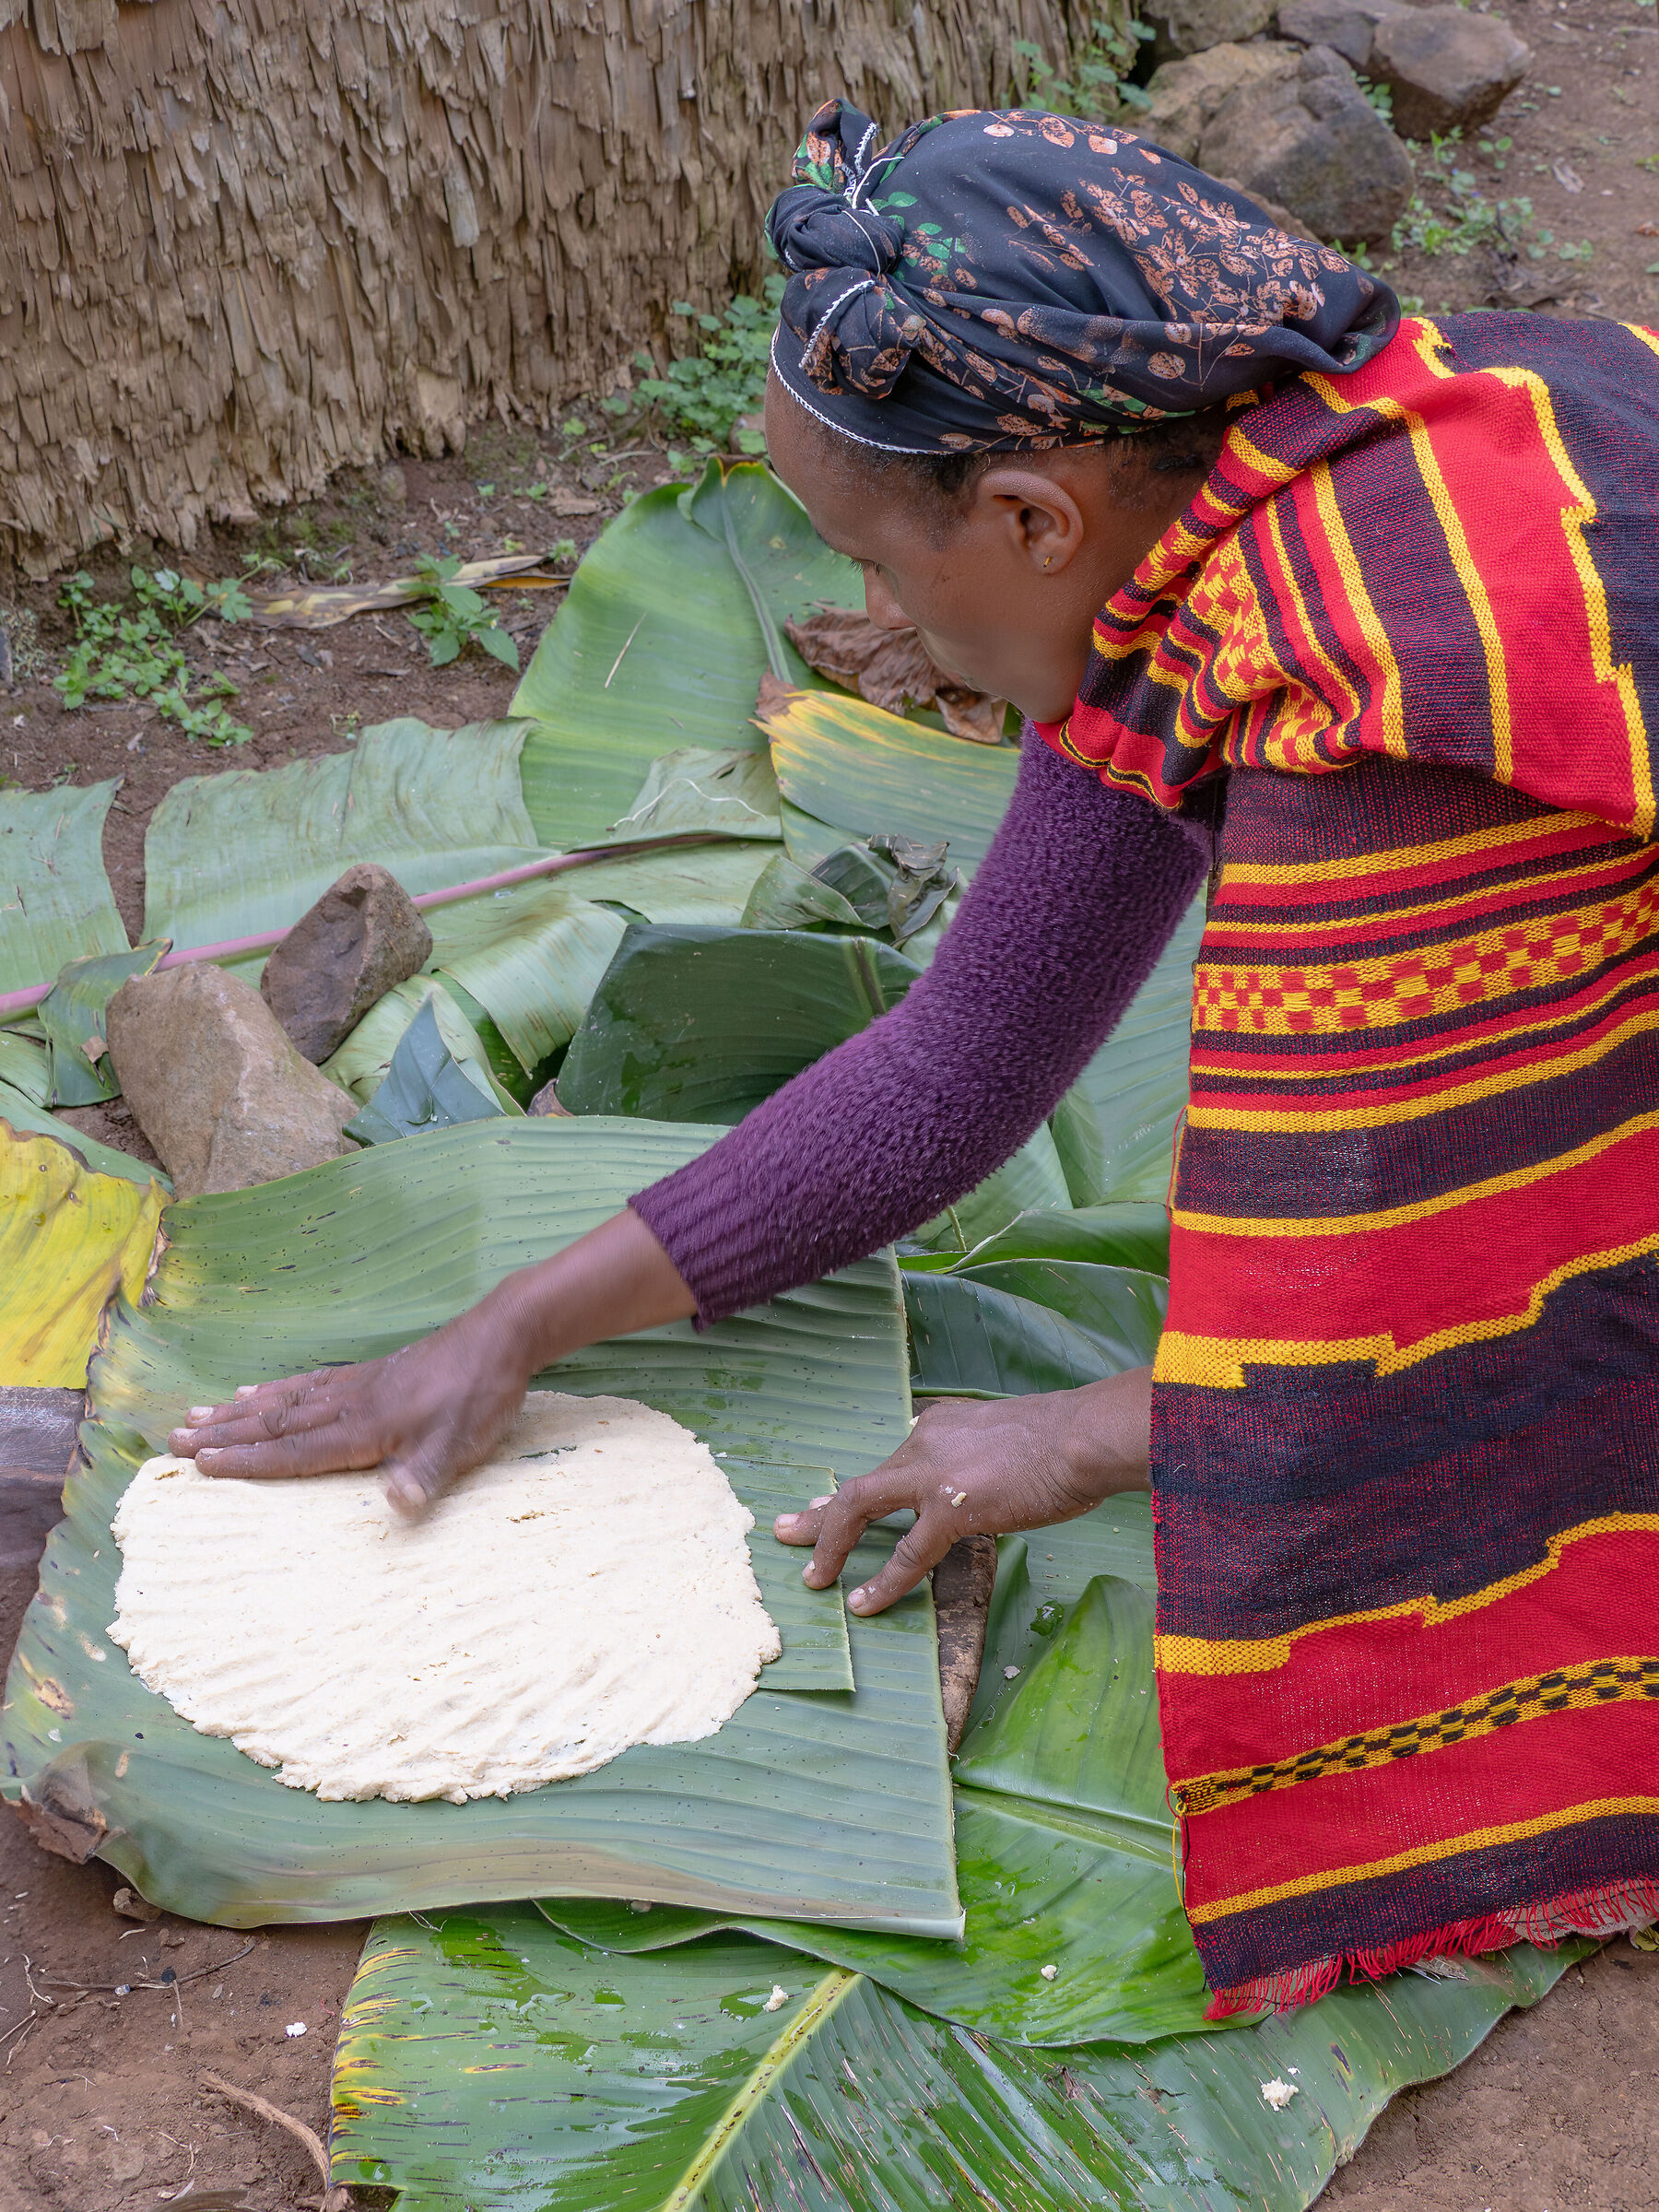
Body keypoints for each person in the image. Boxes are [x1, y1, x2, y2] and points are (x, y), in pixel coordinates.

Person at [168, 100, 1659, 2017]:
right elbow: (965, 1057)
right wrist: (517, 1326)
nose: (866, 623)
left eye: (874, 560)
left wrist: (1086, 1433)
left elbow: (1477, 1304)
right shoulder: (1267, 510)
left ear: (1036, 518)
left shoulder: (1399, 719)